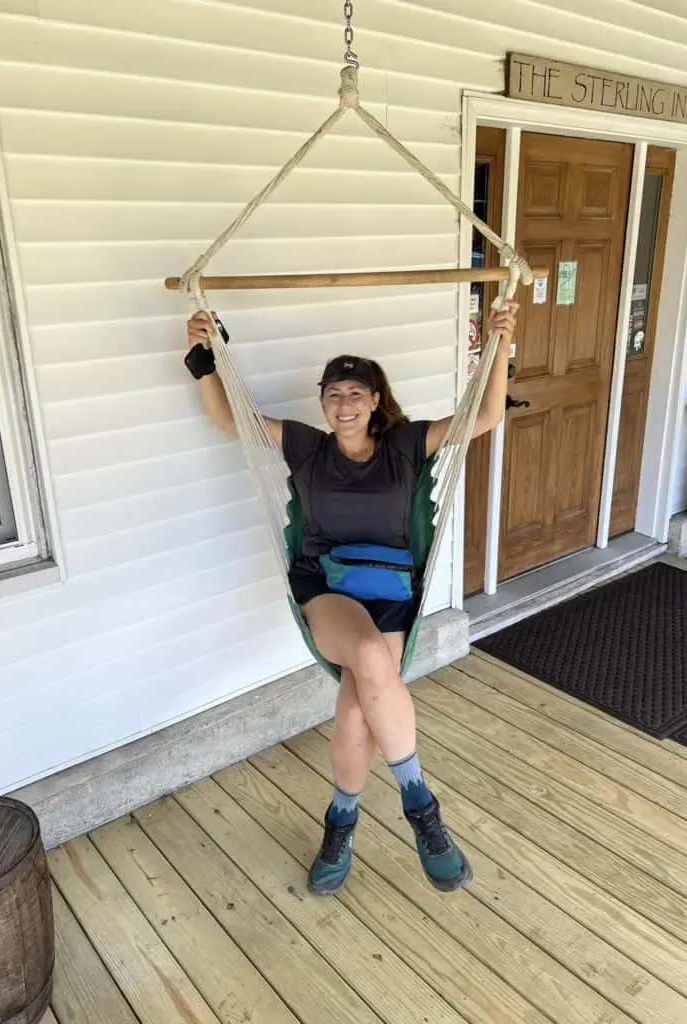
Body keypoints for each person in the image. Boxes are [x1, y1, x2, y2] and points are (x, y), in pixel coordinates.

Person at [184, 299, 518, 895]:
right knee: (367, 658)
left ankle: (340, 823)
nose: (343, 404)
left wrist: (501, 343)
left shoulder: (407, 445)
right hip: (327, 586)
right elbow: (229, 418)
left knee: (357, 703)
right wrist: (207, 359)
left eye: (354, 393)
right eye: (333, 393)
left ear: (374, 400)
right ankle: (422, 810)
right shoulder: (307, 448)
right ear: (322, 402)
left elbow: (487, 413)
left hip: (391, 590)